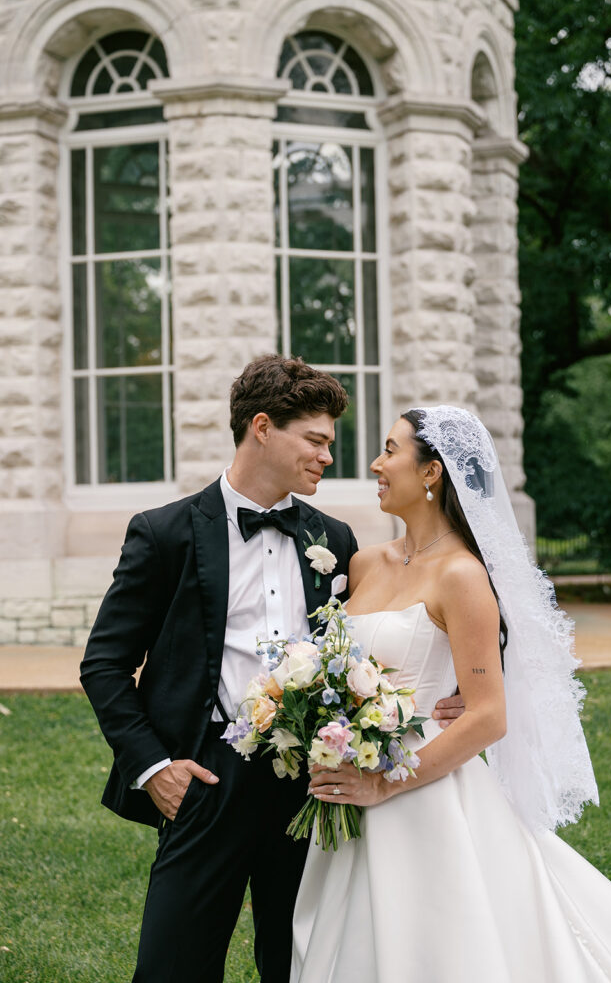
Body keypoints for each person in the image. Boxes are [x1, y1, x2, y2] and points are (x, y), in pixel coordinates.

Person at [80, 357, 463, 983]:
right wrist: (152, 766)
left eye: (330, 443)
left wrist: (451, 695)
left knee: (304, 963)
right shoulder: (165, 533)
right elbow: (104, 665)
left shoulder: (336, 540)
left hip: (313, 783)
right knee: (170, 965)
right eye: (315, 440)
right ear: (262, 427)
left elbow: (413, 624)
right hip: (205, 777)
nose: (328, 456)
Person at [291, 405, 611, 982]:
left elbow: (489, 716)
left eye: (391, 450)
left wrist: (381, 783)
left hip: (420, 788)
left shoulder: (463, 576)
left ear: (431, 473)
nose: (376, 463)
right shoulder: (366, 562)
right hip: (350, 774)